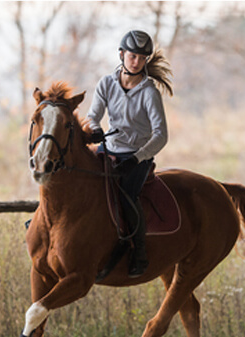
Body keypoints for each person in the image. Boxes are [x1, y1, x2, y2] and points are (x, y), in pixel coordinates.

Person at [85, 30, 173, 278]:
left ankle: (139, 252)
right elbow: (92, 116)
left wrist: (137, 158)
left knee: (127, 197)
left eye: (142, 58)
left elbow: (161, 136)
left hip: (137, 156)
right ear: (122, 54)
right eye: (133, 56)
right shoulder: (106, 83)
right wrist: (94, 129)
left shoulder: (149, 93)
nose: (136, 62)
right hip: (108, 148)